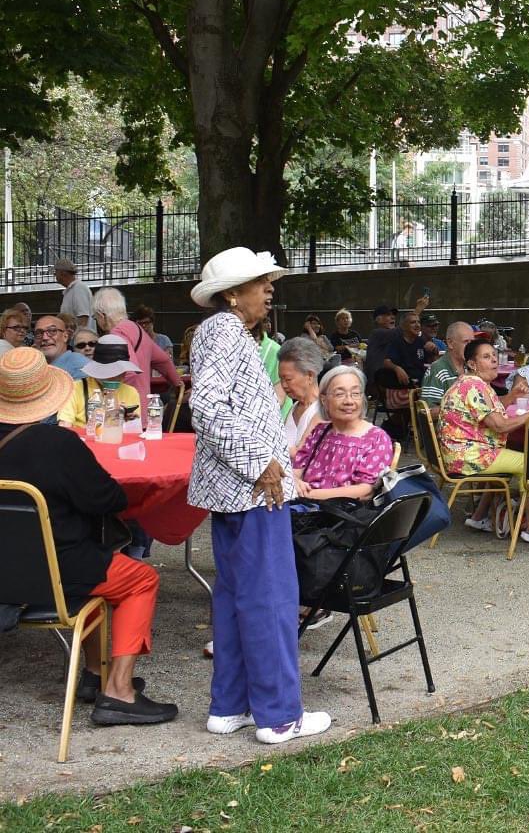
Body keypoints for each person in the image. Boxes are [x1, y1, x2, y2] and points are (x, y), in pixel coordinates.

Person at [188, 246, 330, 745]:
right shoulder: (226, 333)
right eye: (260, 282)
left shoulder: (221, 332)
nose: (269, 289)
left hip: (237, 491)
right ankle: (279, 716)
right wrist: (259, 462)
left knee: (235, 599)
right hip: (253, 489)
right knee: (270, 601)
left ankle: (230, 706)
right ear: (232, 293)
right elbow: (207, 408)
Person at [0, 347, 176, 725]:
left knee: (97, 566)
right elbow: (108, 499)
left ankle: (95, 673)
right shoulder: (57, 444)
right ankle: (119, 691)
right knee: (140, 579)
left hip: (7, 574)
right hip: (57, 572)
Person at [437, 338, 529, 542]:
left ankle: (479, 517)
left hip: (462, 452)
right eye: (486, 357)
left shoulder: (470, 383)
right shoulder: (473, 388)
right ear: (472, 363)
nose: (495, 360)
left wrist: (512, 396)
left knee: (513, 455)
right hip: (470, 456)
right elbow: (499, 426)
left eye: (494, 356)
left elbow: (490, 410)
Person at [293, 366, 394, 502]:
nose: (349, 401)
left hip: (341, 512)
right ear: (324, 400)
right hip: (305, 506)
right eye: (340, 394)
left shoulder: (376, 438)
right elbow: (297, 468)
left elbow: (365, 491)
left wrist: (309, 495)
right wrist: (294, 482)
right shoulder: (320, 431)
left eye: (355, 394)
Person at [91, 287, 180, 426]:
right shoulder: (138, 330)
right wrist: (179, 385)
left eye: (95, 317)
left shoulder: (116, 335)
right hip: (144, 412)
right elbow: (164, 360)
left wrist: (110, 397)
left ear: (102, 316)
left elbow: (130, 372)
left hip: (127, 415)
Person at [57, 335, 142, 428]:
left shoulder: (131, 392)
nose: (116, 376)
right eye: (111, 370)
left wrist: (130, 421)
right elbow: (64, 426)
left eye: (120, 370)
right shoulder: (74, 388)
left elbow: (134, 430)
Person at [277, 338, 326, 454]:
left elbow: (303, 453)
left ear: (310, 376)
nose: (283, 385)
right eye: (281, 379)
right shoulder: (295, 407)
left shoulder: (324, 409)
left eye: (288, 379)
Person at [420, 320, 473, 407]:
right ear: (450, 343)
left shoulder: (470, 367)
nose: (470, 347)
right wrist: (460, 408)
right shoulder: (437, 370)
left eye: (472, 342)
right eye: (466, 342)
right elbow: (428, 411)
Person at [33, 313, 87, 380]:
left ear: (65, 337)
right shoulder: (33, 367)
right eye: (39, 333)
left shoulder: (79, 366)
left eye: (52, 331)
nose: (44, 337)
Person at [54, 258, 94, 331]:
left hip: (80, 336)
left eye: (56, 272)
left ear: (63, 273)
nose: (55, 275)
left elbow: (83, 318)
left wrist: (78, 336)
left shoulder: (79, 289)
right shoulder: (71, 290)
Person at [360, 305, 396, 376]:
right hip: (378, 378)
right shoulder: (377, 333)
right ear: (378, 319)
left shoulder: (387, 335)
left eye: (392, 315)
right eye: (388, 315)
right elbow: (400, 331)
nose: (392, 318)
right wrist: (416, 311)